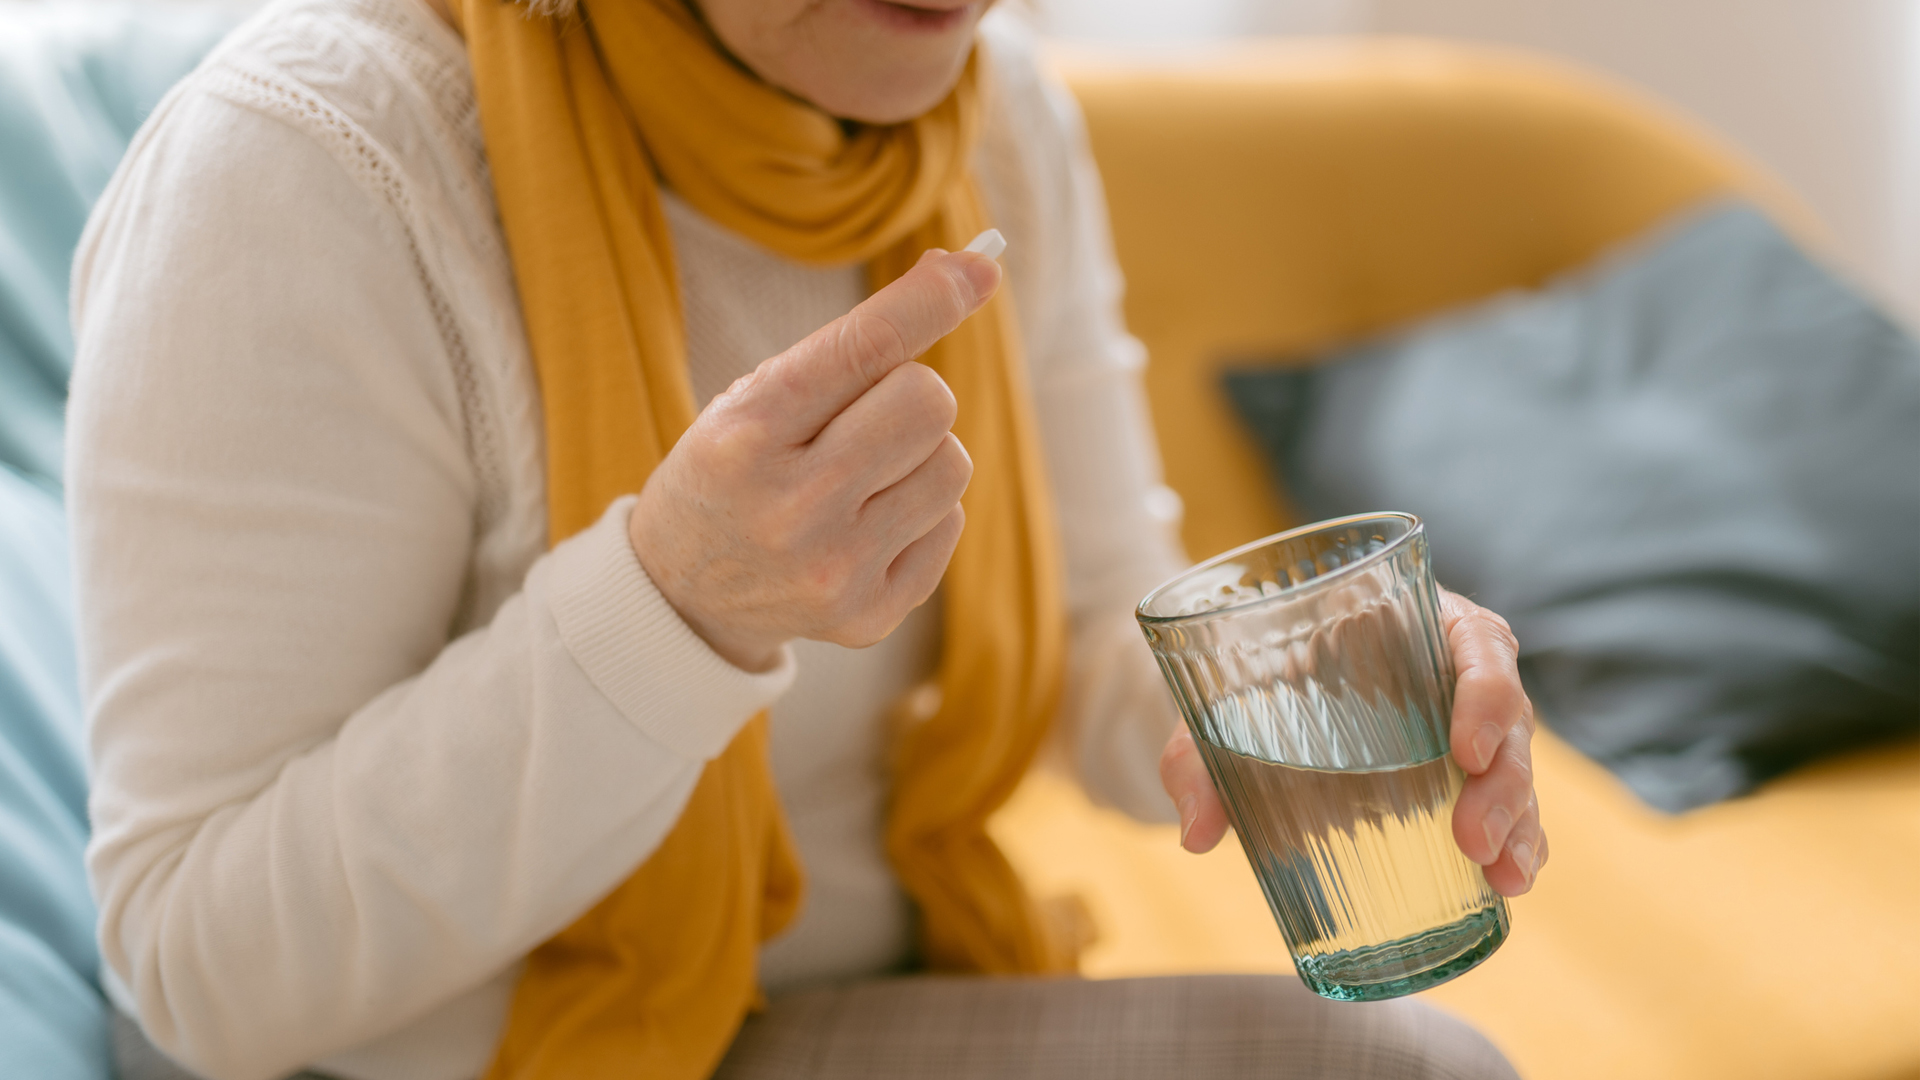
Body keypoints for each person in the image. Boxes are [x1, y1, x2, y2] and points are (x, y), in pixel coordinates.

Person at [67, 0, 1548, 1077]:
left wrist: (1323, 691)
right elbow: (201, 972)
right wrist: (678, 603)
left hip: (819, 1011)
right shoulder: (304, 160)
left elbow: (1103, 628)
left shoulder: (995, 114)